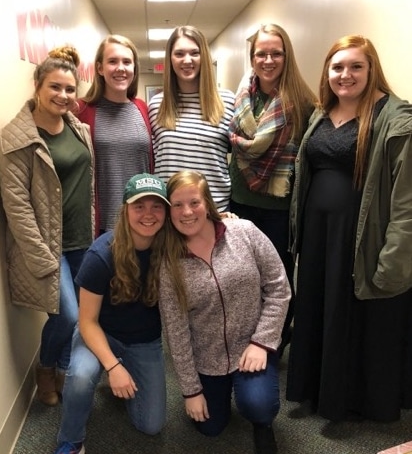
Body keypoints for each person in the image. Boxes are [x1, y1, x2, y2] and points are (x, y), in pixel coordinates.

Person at [286, 35, 412, 423]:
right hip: (318, 236)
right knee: (321, 308)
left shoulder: (394, 118)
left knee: (357, 315)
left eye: (356, 66)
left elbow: (406, 200)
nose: (346, 74)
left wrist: (395, 256)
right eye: (338, 66)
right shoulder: (320, 114)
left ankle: (356, 402)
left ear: (372, 68)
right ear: (327, 72)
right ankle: (318, 392)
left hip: (361, 236)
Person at [159, 170, 291, 454]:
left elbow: (279, 288)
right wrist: (191, 391)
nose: (187, 212)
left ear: (207, 202)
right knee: (210, 428)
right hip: (207, 358)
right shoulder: (169, 263)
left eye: (194, 202)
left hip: (251, 347)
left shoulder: (244, 232)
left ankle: (261, 420)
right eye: (177, 205)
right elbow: (176, 332)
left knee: (258, 405)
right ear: (169, 211)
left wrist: (261, 342)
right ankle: (216, 393)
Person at [0, 47, 95, 406]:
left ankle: (66, 371)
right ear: (37, 85)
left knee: (84, 313)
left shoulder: (78, 129)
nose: (64, 96)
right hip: (48, 245)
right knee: (67, 314)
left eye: (70, 89)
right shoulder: (16, 138)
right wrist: (41, 256)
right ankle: (45, 368)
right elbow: (16, 205)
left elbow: (85, 184)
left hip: (82, 238)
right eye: (55, 87)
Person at [53, 173, 168, 454]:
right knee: (80, 377)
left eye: (156, 206)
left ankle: (121, 378)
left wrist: (224, 219)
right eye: (139, 206)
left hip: (144, 341)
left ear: (166, 211)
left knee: (151, 425)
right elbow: (87, 320)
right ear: (125, 209)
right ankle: (71, 440)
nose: (148, 214)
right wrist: (114, 367)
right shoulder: (101, 254)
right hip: (99, 332)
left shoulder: (171, 248)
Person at [228, 23, 317, 356]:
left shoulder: (304, 102)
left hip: (280, 206)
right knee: (243, 274)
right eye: (261, 53)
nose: (268, 59)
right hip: (241, 200)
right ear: (252, 58)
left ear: (286, 56)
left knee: (278, 276)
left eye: (275, 53)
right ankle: (245, 337)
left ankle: (275, 341)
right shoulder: (241, 97)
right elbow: (235, 148)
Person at [148, 25, 235, 212]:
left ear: (204, 56)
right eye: (179, 54)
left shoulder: (227, 101)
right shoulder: (156, 105)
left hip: (214, 210)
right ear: (170, 59)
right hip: (169, 210)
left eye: (194, 53)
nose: (187, 60)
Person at [76, 34, 153, 233]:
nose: (120, 68)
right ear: (100, 68)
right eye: (112, 61)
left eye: (127, 62)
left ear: (134, 68)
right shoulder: (82, 110)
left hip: (144, 221)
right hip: (103, 225)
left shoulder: (142, 109)